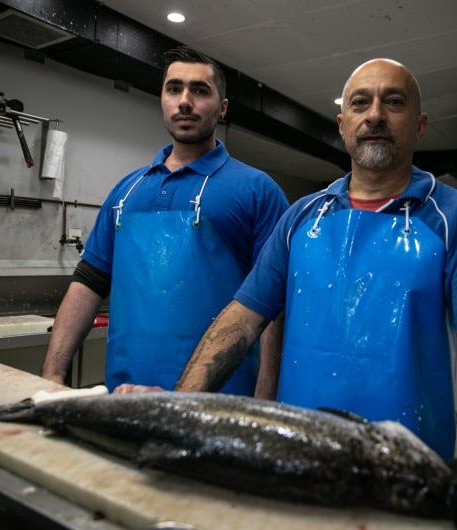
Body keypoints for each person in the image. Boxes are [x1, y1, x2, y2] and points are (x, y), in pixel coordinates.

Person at [175, 58, 457, 529]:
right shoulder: (302, 216)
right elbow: (241, 319)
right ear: (343, 126)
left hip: (409, 476)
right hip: (295, 462)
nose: (376, 115)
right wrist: (178, 408)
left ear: (420, 126)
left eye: (395, 102)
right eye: (361, 103)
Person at [42, 46, 289, 397]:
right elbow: (89, 282)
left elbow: (272, 309)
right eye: (174, 89)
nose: (184, 101)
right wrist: (52, 374)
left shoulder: (257, 190)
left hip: (219, 404)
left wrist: (263, 404)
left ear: (222, 108)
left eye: (200, 91)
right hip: (123, 395)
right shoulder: (127, 190)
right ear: (162, 100)